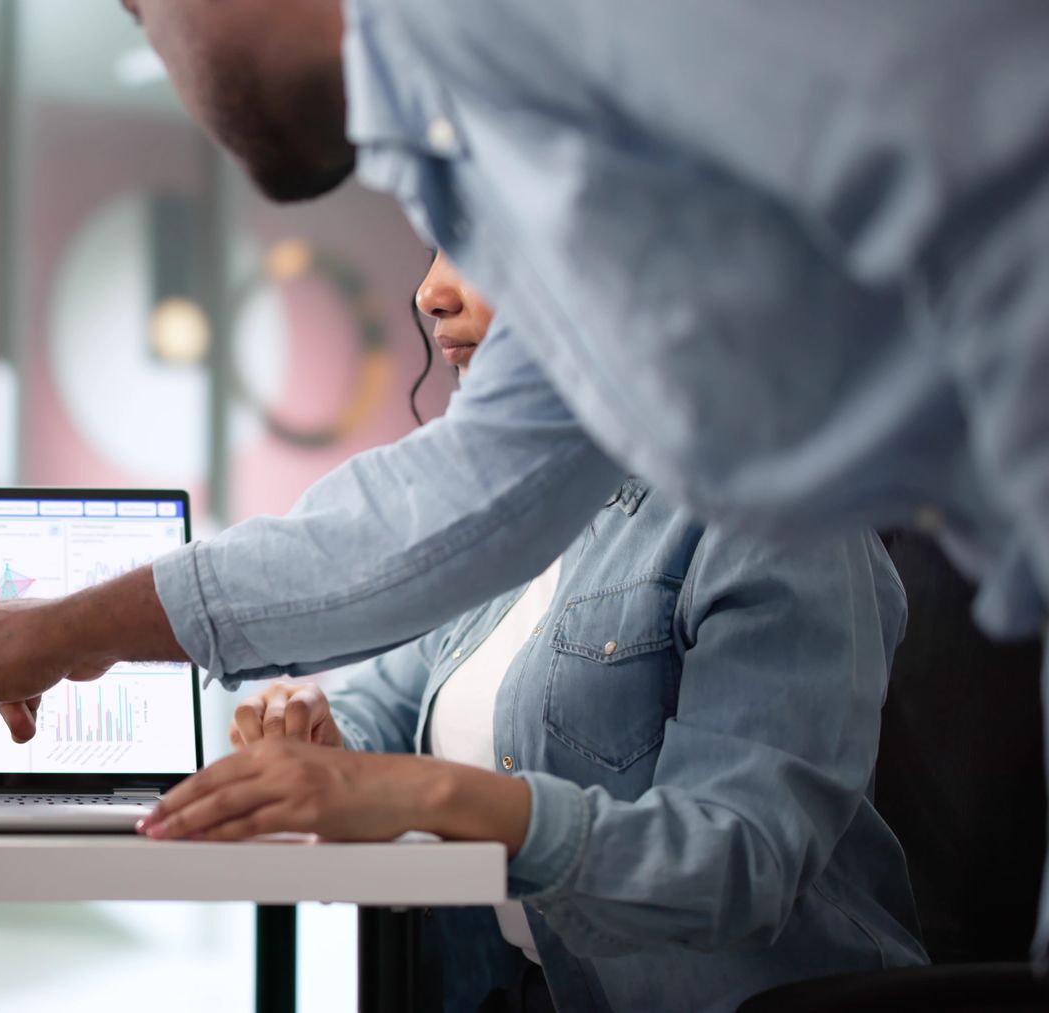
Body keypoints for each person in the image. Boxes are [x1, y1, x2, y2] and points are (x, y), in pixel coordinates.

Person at [0, 0, 1049, 952]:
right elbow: (449, 505)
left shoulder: (530, 48)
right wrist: (93, 632)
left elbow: (992, 153)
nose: (439, 287)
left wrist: (418, 796)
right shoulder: (559, 201)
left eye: (142, 16)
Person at [198, 254, 924, 1011]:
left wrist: (436, 796)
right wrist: (322, 739)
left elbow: (736, 863)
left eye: (472, 249)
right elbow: (392, 707)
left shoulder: (775, 519)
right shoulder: (514, 523)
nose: (428, 295)